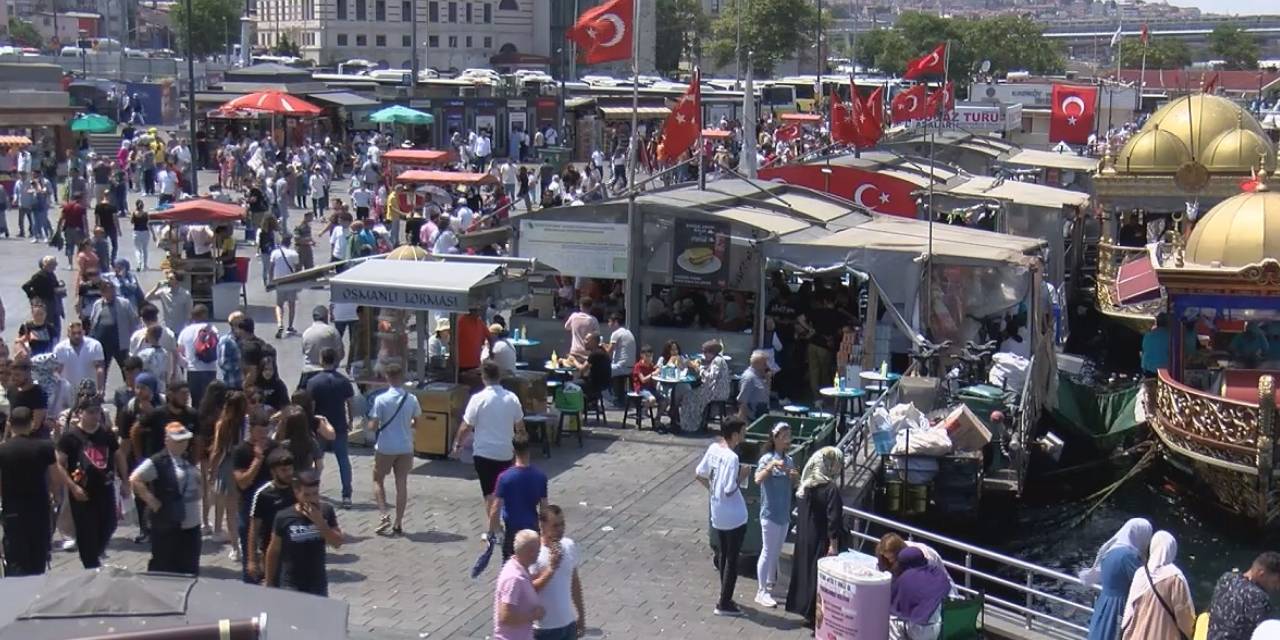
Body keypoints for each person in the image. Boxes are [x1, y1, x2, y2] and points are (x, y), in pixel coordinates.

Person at [0, 407, 80, 576]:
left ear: (10, 424)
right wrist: (55, 496)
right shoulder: (44, 446)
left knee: (15, 555)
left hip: (13, 509)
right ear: (31, 423)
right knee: (38, 554)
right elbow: (55, 477)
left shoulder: (3, 450)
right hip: (39, 507)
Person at [56, 393, 130, 569]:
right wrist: (72, 487)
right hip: (82, 492)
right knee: (86, 530)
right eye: (90, 412)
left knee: (109, 524)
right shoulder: (70, 437)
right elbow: (59, 464)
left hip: (105, 488)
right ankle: (90, 564)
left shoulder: (105, 434)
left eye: (97, 412)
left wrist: (125, 481)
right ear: (80, 413)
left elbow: (118, 455)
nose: (95, 416)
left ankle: (95, 554)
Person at [456, 360, 526, 528]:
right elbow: (520, 427)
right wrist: (521, 451)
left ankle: (493, 528)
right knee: (501, 490)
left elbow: (466, 426)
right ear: (499, 376)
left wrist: (458, 444)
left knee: (489, 493)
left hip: (484, 452)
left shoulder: (477, 399)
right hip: (506, 452)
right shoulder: (512, 398)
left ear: (483, 377)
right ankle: (500, 523)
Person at [786, 446, 849, 627]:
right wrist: (834, 545)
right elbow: (833, 519)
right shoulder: (830, 489)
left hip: (805, 536)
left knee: (805, 572)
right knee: (819, 576)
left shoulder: (806, 486)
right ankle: (817, 616)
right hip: (821, 539)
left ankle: (806, 611)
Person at [130, 422, 202, 575]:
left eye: (185, 440)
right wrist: (151, 501)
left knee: (190, 569)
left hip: (191, 525)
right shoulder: (158, 461)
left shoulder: (187, 459)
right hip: (169, 525)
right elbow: (135, 479)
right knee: (165, 568)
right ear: (167, 441)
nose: (183, 444)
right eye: (178, 440)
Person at [695, 416, 750, 617]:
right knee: (731, 558)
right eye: (742, 432)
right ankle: (724, 602)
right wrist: (742, 476)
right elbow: (729, 489)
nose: (744, 436)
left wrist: (712, 490)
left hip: (717, 512)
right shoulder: (732, 458)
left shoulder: (713, 449)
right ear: (735, 435)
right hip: (734, 515)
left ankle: (724, 595)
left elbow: (699, 473)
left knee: (724, 555)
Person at [264, 470, 343, 596]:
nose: (312, 499)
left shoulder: (326, 511)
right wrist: (269, 582)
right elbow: (273, 551)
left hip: (317, 583)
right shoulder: (284, 517)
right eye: (307, 495)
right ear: (296, 493)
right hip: (291, 583)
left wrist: (320, 523)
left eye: (315, 494)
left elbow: (337, 543)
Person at [366, 363, 420, 536]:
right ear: (402, 377)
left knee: (377, 479)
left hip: (385, 446)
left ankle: (384, 514)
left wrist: (367, 425)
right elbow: (416, 423)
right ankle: (398, 522)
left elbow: (373, 426)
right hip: (405, 446)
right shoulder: (411, 399)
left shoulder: (381, 400)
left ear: (387, 378)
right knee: (401, 483)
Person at [1083, 518, 1154, 640]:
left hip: (1104, 601)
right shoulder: (1128, 557)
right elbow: (1144, 581)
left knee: (1101, 631)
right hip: (1119, 605)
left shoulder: (1111, 551)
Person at [306, 348, 357, 508]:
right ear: (335, 360)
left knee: (316, 460)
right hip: (339, 426)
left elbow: (311, 406)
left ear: (321, 360)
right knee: (343, 461)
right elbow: (350, 403)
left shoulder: (313, 382)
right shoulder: (343, 381)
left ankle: (312, 489)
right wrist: (350, 421)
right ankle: (347, 495)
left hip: (319, 427)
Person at [753, 422, 797, 608]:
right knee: (767, 550)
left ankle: (771, 585)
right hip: (769, 513)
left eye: (789, 435)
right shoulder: (767, 459)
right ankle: (761, 591)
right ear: (776, 437)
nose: (788, 439)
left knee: (776, 551)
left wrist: (794, 476)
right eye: (785, 435)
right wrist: (771, 466)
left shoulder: (789, 460)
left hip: (783, 513)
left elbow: (795, 485)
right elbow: (757, 479)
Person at [1121, 530, 1194, 640]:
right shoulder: (1175, 577)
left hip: (1137, 634)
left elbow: (1130, 610)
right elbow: (1184, 614)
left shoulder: (1141, 573)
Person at [530, 505, 585, 640]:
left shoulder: (569, 545)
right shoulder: (534, 552)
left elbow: (575, 583)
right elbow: (529, 589)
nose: (560, 529)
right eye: (555, 526)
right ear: (542, 525)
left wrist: (581, 615)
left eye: (562, 524)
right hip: (544, 629)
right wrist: (551, 569)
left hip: (568, 624)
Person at [233, 412, 278, 574]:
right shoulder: (240, 451)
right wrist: (257, 460)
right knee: (249, 549)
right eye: (260, 432)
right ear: (251, 429)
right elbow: (243, 482)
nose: (263, 436)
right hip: (248, 507)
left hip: (271, 507)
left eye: (266, 432)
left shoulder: (274, 448)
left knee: (271, 551)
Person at [490, 437, 548, 561]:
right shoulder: (540, 476)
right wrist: (544, 532)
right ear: (529, 449)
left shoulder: (504, 477)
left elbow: (495, 508)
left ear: (513, 450)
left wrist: (496, 531)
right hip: (532, 529)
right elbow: (544, 508)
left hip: (512, 529)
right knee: (532, 568)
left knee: (510, 568)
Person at [246, 448, 296, 584]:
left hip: (296, 551)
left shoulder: (298, 489)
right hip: (271, 553)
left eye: (290, 469)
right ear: (273, 472)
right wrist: (251, 560)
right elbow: (254, 528)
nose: (289, 474)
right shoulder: (263, 494)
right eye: (284, 471)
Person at [1207, 552, 1280, 640]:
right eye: (1275, 582)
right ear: (1261, 574)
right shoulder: (1259, 598)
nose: (1277, 587)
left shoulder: (1225, 578)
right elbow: (1267, 633)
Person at [888, 546, 952, 640]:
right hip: (947, 626)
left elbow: (893, 605)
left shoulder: (906, 578)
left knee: (891, 618)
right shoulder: (937, 572)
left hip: (924, 631)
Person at [494, 529, 545, 639]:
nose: (540, 552)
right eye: (538, 549)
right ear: (530, 552)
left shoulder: (516, 565)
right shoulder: (514, 579)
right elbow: (505, 617)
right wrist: (533, 616)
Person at [88, 278, 139, 378]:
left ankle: (130, 388)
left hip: (120, 343)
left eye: (112, 290)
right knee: (102, 370)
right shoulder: (98, 304)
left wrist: (133, 339)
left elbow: (133, 322)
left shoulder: (125, 303)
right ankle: (100, 390)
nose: (111, 293)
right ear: (102, 293)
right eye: (107, 291)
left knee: (126, 369)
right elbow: (93, 322)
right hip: (102, 344)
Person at [680, 340, 730, 433]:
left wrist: (698, 368)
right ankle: (694, 422)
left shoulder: (717, 361)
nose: (704, 355)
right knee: (691, 394)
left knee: (689, 396)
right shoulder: (717, 360)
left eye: (705, 352)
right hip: (716, 390)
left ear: (711, 352)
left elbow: (710, 377)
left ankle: (691, 424)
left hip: (716, 392)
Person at [177, 304, 219, 408]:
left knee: (195, 402)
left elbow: (179, 352)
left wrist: (187, 365)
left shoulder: (185, 331)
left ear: (193, 316)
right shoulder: (212, 329)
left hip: (193, 371)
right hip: (210, 369)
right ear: (206, 315)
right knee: (210, 402)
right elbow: (216, 347)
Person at [52, 319, 105, 393]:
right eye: (73, 333)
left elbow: (99, 369)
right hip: (68, 393)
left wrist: (100, 389)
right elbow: (56, 371)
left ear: (83, 332)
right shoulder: (60, 349)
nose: (77, 336)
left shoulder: (95, 345)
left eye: (79, 333)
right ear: (68, 334)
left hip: (89, 392)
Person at [300, 305, 343, 389]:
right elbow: (340, 352)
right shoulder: (332, 331)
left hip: (308, 373)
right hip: (328, 372)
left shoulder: (306, 332)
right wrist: (334, 364)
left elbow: (304, 351)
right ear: (326, 317)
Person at [269, 235, 301, 338]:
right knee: (291, 305)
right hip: (291, 282)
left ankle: (280, 324)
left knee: (279, 305)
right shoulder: (294, 254)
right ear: (289, 243)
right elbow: (297, 270)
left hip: (279, 281)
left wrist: (271, 281)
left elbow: (271, 269)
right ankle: (290, 327)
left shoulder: (275, 253)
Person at [145, 270, 192, 336]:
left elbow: (189, 312)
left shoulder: (185, 294)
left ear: (177, 281)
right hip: (167, 329)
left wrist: (187, 327)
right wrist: (157, 287)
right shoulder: (164, 292)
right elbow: (147, 298)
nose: (168, 281)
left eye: (171, 279)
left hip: (180, 329)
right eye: (167, 278)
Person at [738, 350, 772, 421]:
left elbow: (766, 395)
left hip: (762, 415)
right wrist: (742, 422)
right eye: (764, 364)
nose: (766, 366)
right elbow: (743, 400)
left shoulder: (760, 376)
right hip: (752, 417)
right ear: (758, 364)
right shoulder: (749, 378)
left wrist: (768, 380)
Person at [604, 312, 636, 379]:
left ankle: (603, 389)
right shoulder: (627, 332)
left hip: (620, 367)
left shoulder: (616, 333)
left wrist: (601, 345)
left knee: (598, 370)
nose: (608, 324)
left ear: (615, 322)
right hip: (631, 367)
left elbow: (608, 352)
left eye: (609, 322)